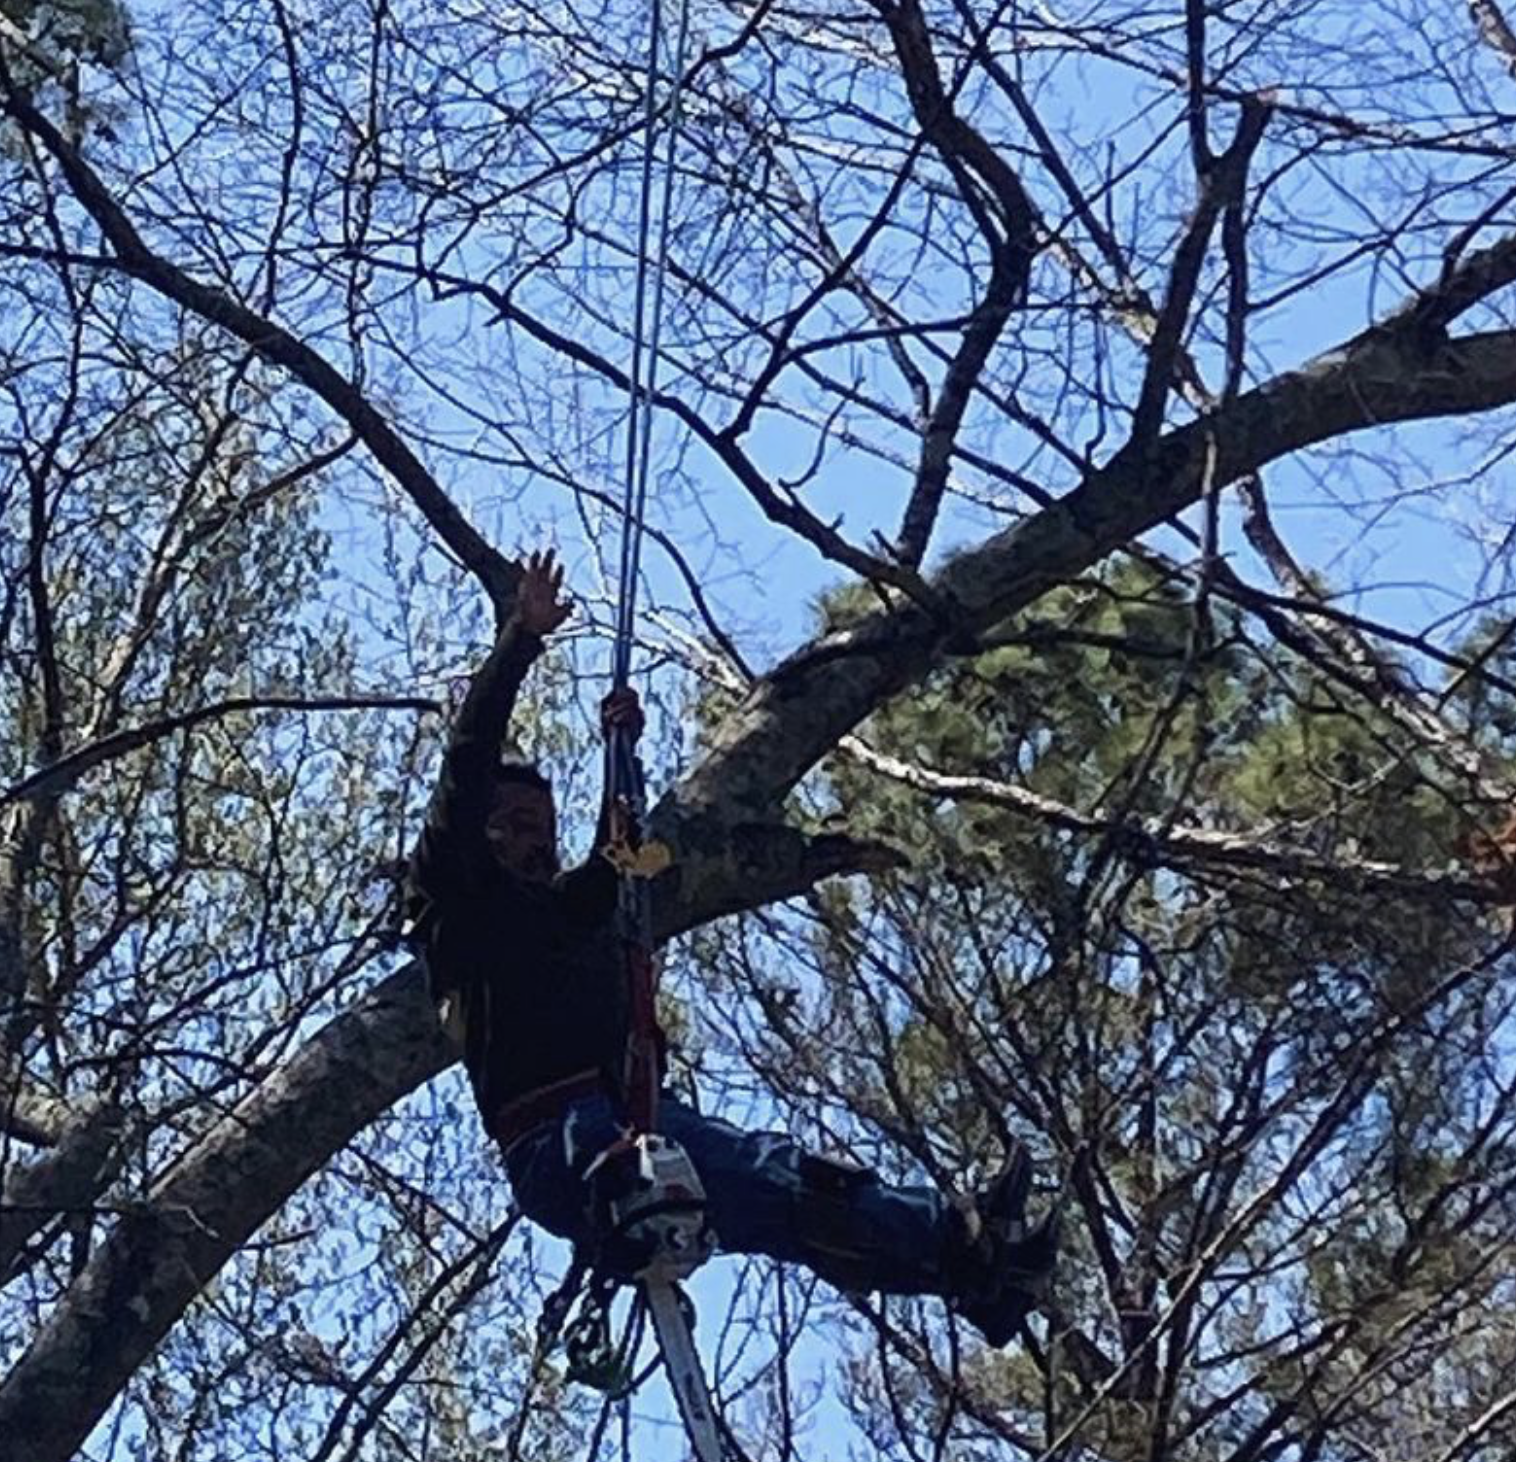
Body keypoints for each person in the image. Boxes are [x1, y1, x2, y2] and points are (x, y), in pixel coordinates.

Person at [410, 550, 1056, 1345]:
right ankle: (644, 1207)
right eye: (511, 828)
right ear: (474, 835)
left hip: (635, 1118)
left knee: (792, 1188)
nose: (533, 845)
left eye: (542, 831)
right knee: (731, 1171)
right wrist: (521, 641)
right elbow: (467, 767)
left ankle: (965, 1261)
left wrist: (623, 754)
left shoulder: (570, 912)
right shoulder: (458, 904)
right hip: (565, 1144)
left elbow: (619, 862)